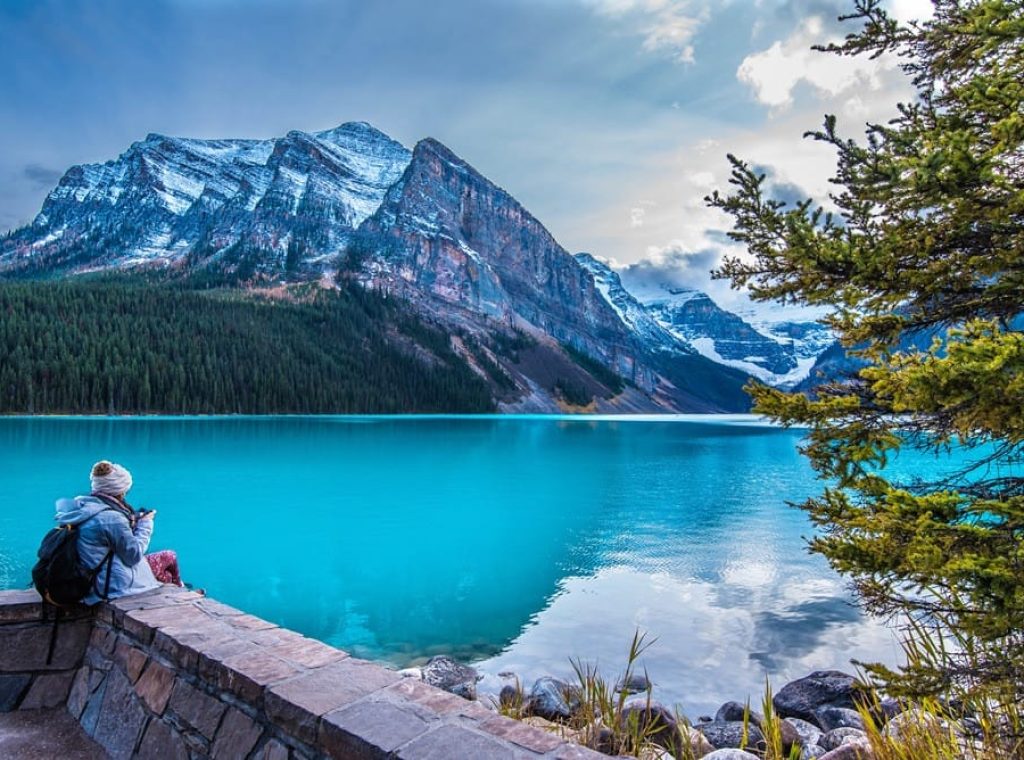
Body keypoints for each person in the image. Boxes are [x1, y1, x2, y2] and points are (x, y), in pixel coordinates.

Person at [54, 460, 167, 604]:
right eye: (125, 490)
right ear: (119, 490)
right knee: (169, 558)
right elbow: (134, 556)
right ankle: (182, 599)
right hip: (110, 586)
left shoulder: (80, 508)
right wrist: (146, 524)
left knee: (166, 561)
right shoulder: (112, 519)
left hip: (85, 579)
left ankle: (180, 594)